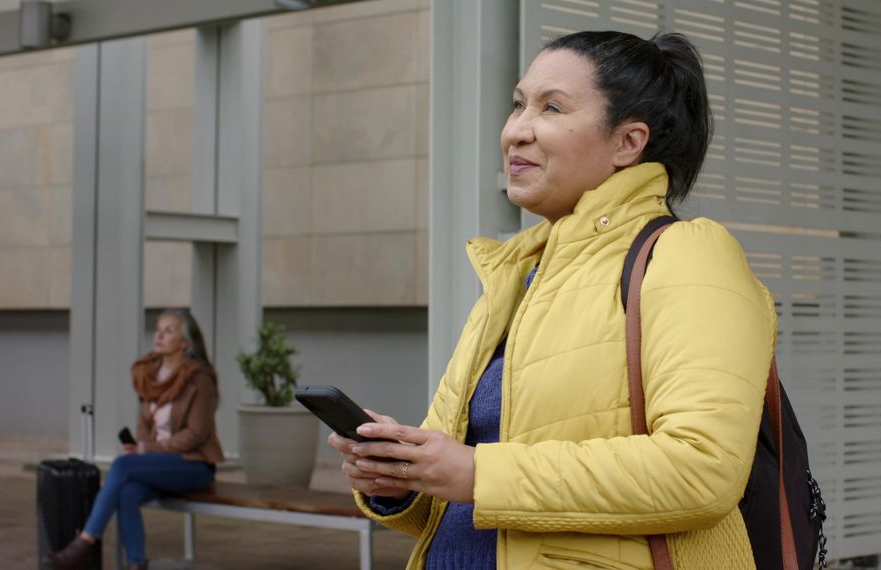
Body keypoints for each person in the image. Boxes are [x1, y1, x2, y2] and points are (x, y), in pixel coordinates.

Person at [327, 30, 777, 569]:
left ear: (628, 143)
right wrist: (401, 480)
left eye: (551, 107)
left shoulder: (687, 255)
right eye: (518, 105)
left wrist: (476, 472)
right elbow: (464, 506)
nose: (517, 131)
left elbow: (702, 470)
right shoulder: (514, 276)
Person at [45, 309, 224, 570]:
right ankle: (136, 564)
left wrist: (147, 448)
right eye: (158, 329)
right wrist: (141, 446)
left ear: (185, 343)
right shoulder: (149, 374)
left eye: (169, 330)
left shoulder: (200, 379)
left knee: (121, 466)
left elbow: (196, 434)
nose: (159, 335)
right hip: (158, 462)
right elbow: (144, 424)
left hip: (193, 465)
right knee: (127, 492)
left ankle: (85, 543)